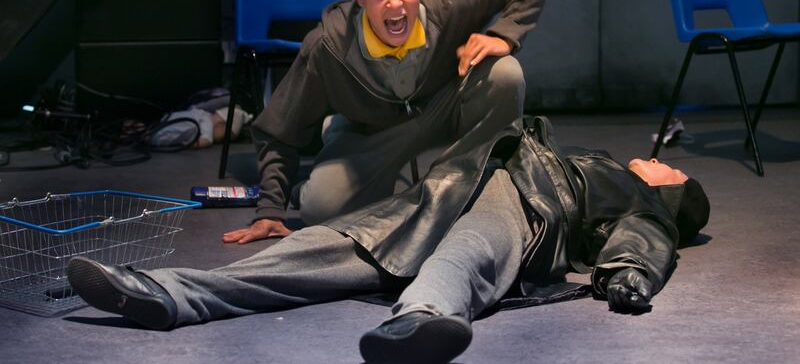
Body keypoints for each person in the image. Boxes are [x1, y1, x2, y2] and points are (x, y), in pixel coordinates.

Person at [67, 116, 710, 364]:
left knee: (469, 252)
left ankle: (422, 317)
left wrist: (630, 273)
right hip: (449, 187)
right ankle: (172, 293)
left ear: (674, 187)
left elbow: (645, 238)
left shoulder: (645, 199)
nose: (656, 161)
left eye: (669, 169)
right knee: (327, 244)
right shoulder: (610, 165)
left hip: (524, 198)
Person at [221, 0, 553, 243]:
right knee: (320, 210)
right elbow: (279, 128)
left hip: (443, 109)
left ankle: (478, 186)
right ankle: (339, 132)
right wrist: (270, 209)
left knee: (505, 72)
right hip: (373, 133)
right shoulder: (328, 45)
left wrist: (503, 35)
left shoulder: (449, 2)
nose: (395, 4)